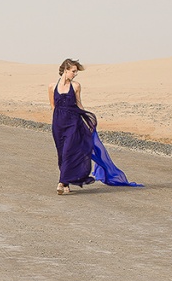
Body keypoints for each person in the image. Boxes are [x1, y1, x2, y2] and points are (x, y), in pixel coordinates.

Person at [49, 58, 142, 194]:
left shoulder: (76, 86)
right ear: (65, 70)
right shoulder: (52, 86)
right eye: (73, 71)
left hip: (73, 123)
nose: (75, 74)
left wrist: (87, 120)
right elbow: (53, 106)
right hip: (58, 125)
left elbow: (79, 104)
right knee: (62, 153)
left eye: (76, 71)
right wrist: (56, 122)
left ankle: (61, 182)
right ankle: (66, 182)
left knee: (69, 151)